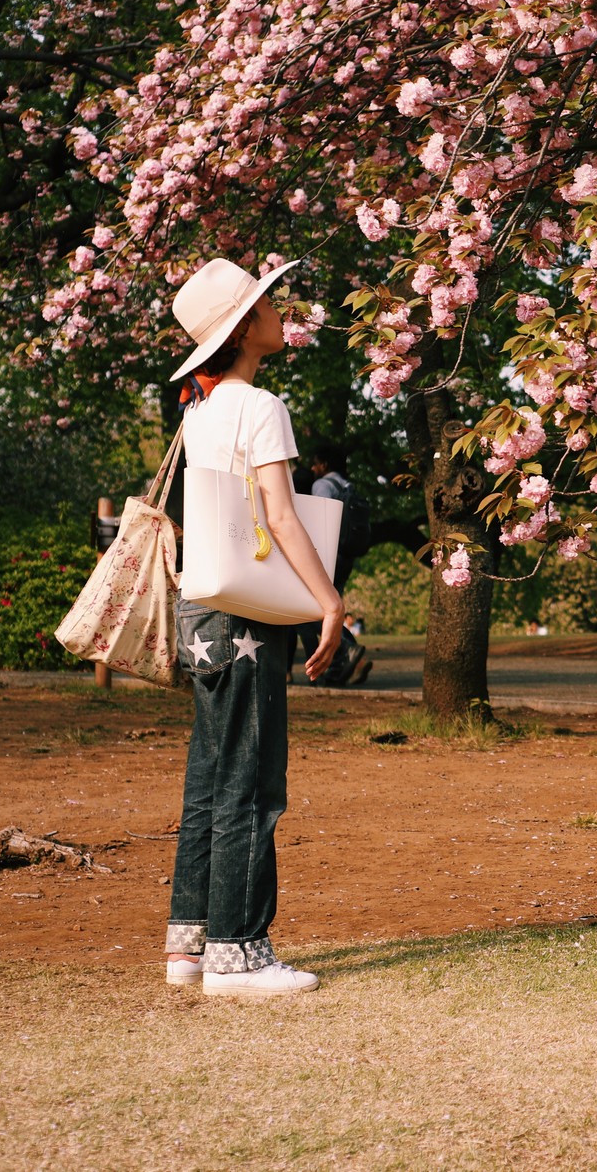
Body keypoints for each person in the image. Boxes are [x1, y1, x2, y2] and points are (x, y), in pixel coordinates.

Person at [162, 257, 341, 999]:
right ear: (244, 328)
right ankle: (239, 953)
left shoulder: (198, 411)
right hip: (247, 618)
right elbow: (279, 516)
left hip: (201, 611)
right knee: (253, 780)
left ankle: (191, 944)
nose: (279, 310)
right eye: (266, 303)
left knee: (209, 776)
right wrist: (328, 600)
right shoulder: (260, 404)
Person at [293, 440, 374, 686]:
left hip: (329, 556)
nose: (313, 468)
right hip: (347, 555)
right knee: (332, 606)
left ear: (324, 464)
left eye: (315, 464)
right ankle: (343, 665)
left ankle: (347, 652)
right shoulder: (347, 484)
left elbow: (321, 521)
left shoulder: (323, 485)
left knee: (315, 610)